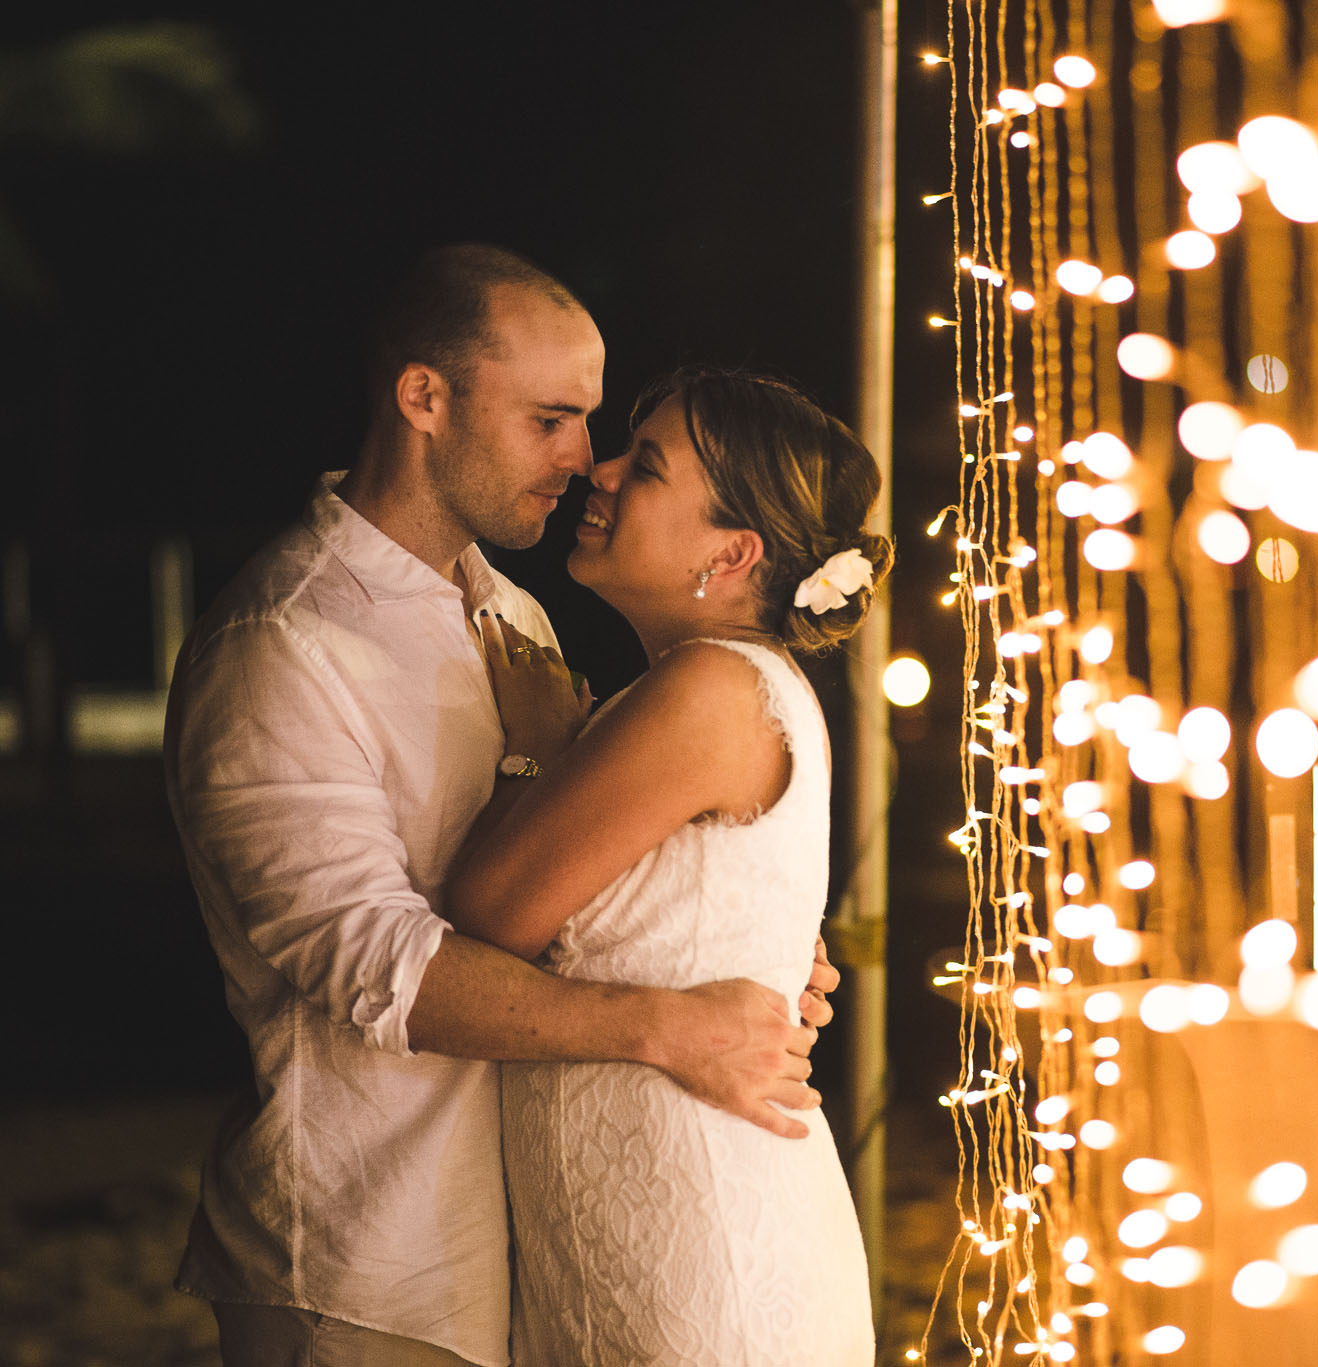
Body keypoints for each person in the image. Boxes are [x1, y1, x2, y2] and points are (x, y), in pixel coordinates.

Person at [164, 245, 838, 1367]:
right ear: (424, 398)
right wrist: (667, 1019)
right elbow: (365, 956)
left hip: (547, 1246)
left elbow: (594, 868)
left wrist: (743, 946)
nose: (584, 460)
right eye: (552, 418)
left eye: (596, 424)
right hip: (365, 1253)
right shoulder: (283, 641)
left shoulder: (512, 613)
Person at [441, 365, 890, 1364]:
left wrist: (529, 749)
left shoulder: (712, 689)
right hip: (650, 1212)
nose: (597, 470)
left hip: (695, 1236)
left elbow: (490, 908)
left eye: (644, 465)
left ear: (732, 550)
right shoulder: (725, 687)